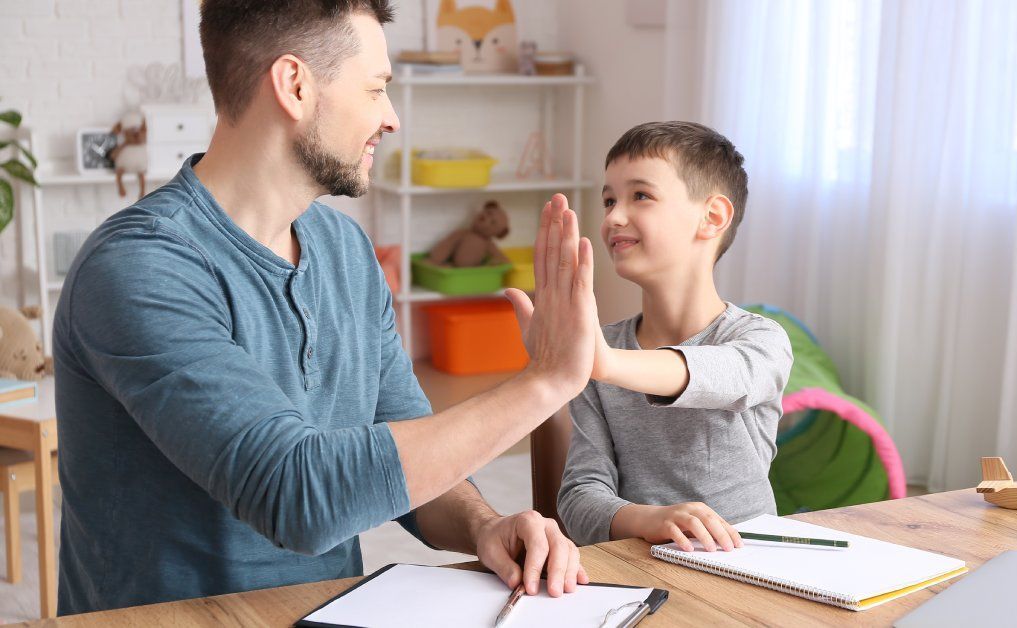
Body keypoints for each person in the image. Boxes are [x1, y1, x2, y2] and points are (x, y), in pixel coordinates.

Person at [52, 0, 597, 614]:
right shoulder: (139, 266)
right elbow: (297, 496)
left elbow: (407, 456)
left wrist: (481, 525)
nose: (391, 118)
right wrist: (546, 381)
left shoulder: (345, 250)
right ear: (295, 86)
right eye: (375, 89)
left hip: (329, 612)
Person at [549, 121, 793, 550]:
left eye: (640, 196)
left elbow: (726, 378)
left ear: (712, 217)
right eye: (609, 200)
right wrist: (651, 520)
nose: (614, 217)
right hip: (636, 564)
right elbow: (579, 499)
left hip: (749, 569)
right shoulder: (599, 354)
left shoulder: (760, 340)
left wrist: (604, 363)